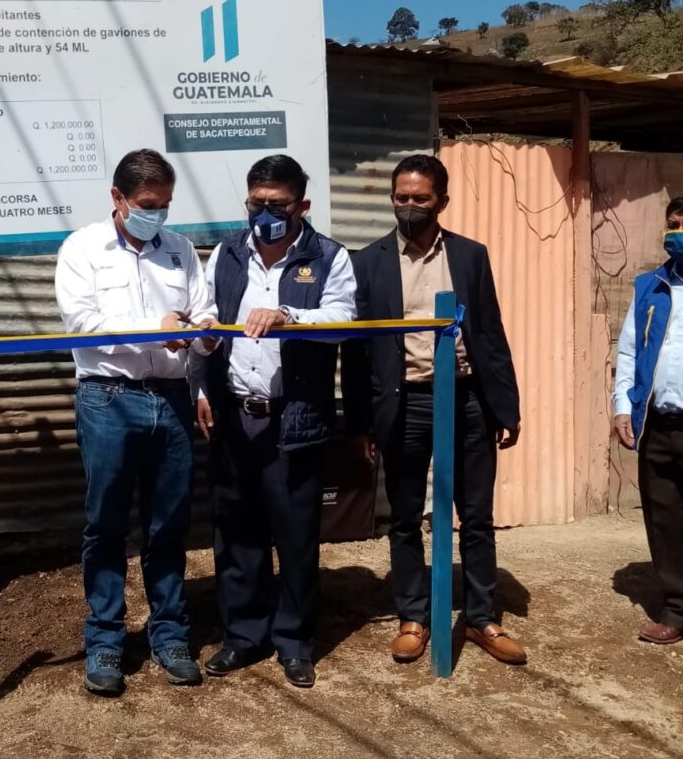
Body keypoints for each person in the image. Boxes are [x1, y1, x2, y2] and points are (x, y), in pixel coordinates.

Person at [342, 154, 525, 665]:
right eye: (401, 197)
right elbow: (356, 353)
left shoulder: (469, 256)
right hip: (406, 404)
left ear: (441, 201)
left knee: (477, 516)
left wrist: (505, 407)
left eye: (420, 199)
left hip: (466, 400)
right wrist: (361, 422)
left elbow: (489, 333)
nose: (409, 207)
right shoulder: (369, 261)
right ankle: (413, 617)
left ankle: (482, 618)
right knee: (404, 517)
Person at [191, 154, 357, 688]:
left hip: (294, 420)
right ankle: (243, 636)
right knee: (236, 533)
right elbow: (205, 322)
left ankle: (294, 642)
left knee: (295, 535)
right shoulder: (227, 254)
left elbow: (343, 323)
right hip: (236, 416)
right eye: (256, 204)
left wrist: (290, 314)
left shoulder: (329, 257)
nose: (265, 214)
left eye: (277, 205)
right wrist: (200, 380)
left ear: (301, 205)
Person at [55, 149, 216, 695]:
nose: (159, 216)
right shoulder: (82, 249)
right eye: (148, 205)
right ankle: (105, 638)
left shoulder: (180, 251)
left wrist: (206, 336)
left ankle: (168, 632)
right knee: (105, 524)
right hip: (108, 399)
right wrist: (156, 328)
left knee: (168, 524)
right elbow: (84, 322)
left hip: (170, 396)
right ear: (118, 199)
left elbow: (201, 310)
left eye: (166, 205)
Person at [613, 197, 683, 645]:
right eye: (674, 224)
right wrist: (623, 404)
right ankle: (676, 607)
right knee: (665, 517)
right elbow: (628, 351)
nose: (677, 232)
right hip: (659, 424)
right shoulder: (649, 287)